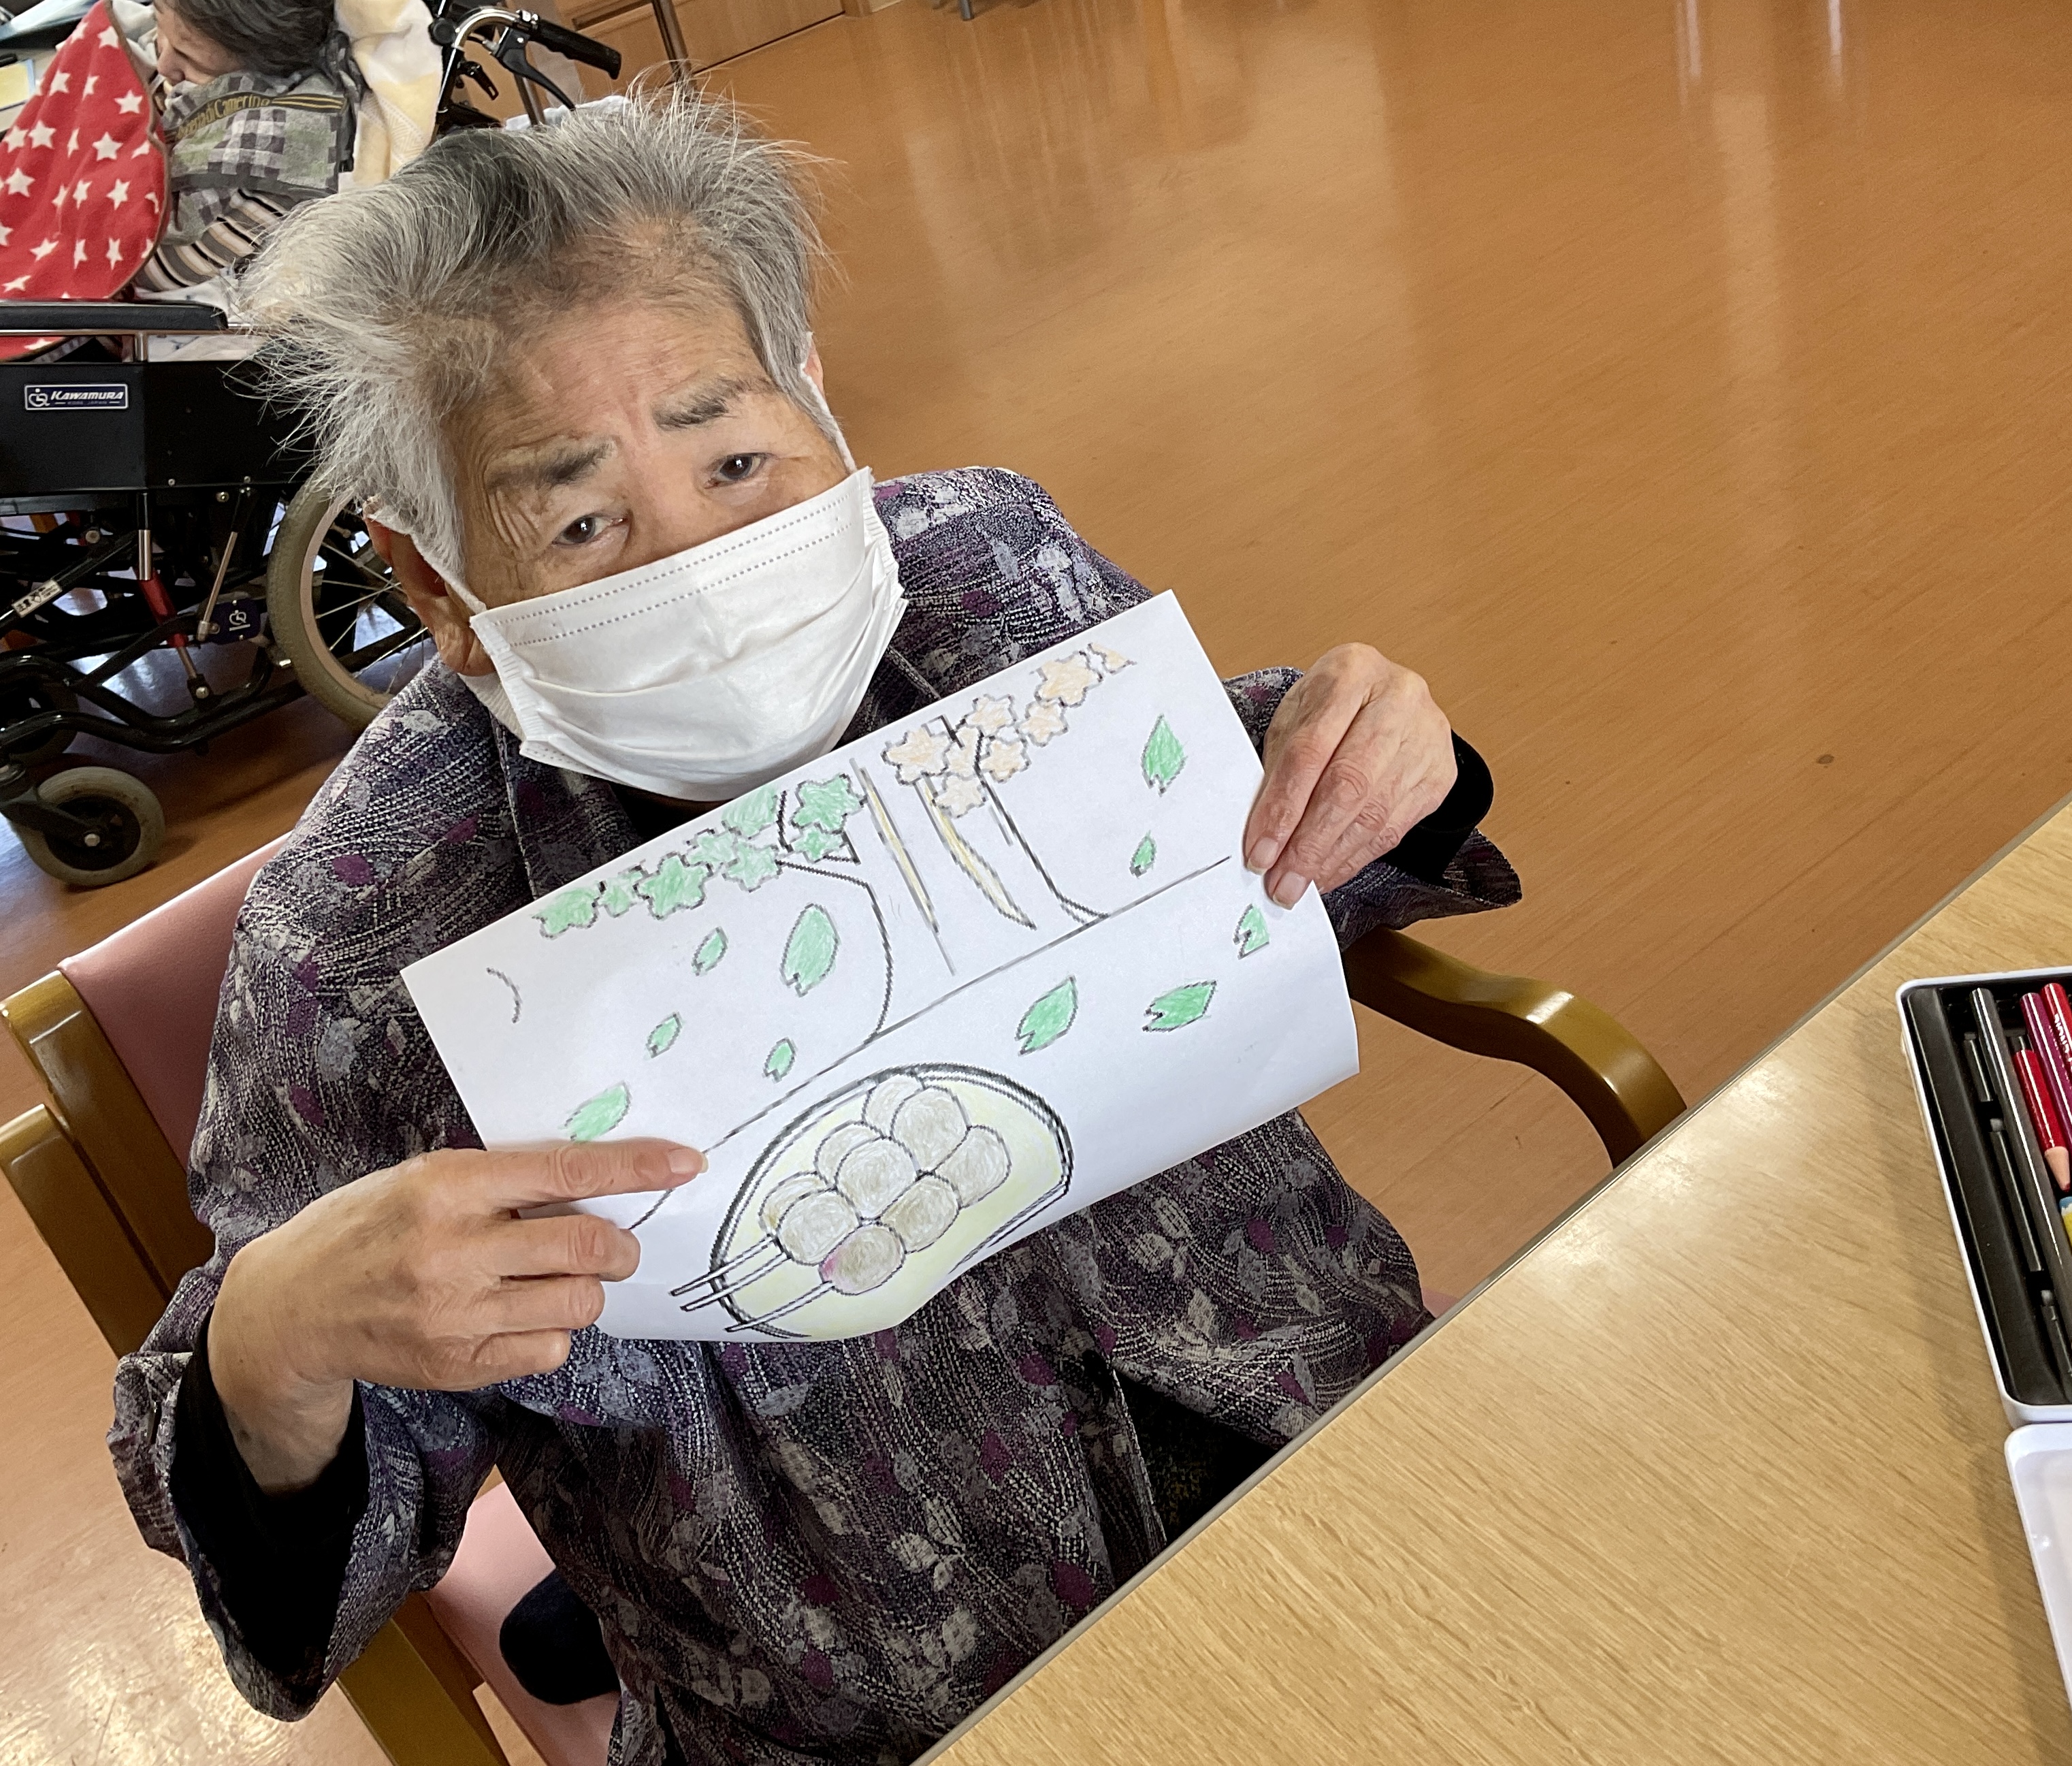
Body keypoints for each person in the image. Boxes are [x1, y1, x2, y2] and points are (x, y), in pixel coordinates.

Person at [107, 95, 1518, 1764]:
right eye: (580, 521)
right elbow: (295, 1534)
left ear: (819, 402)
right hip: (886, 1695)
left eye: (733, 459)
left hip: (1337, 1422)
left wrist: (1380, 762)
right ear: (433, 588)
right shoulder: (363, 931)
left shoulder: (984, 571)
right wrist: (277, 1338)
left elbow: (1253, 868)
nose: (701, 560)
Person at [121, 0, 359, 300]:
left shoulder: (284, 148)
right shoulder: (180, 26)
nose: (164, 67)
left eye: (190, 58)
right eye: (160, 25)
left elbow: (160, 272)